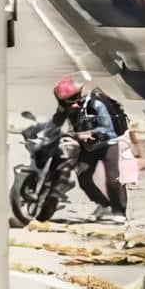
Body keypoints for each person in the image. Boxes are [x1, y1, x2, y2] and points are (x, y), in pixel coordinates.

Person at [51, 77, 127, 222]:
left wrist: (90, 133)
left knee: (113, 179)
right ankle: (104, 205)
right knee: (84, 177)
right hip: (88, 146)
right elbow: (55, 124)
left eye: (70, 101)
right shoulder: (67, 108)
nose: (69, 106)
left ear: (78, 96)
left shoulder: (96, 104)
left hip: (108, 143)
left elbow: (108, 128)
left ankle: (119, 211)